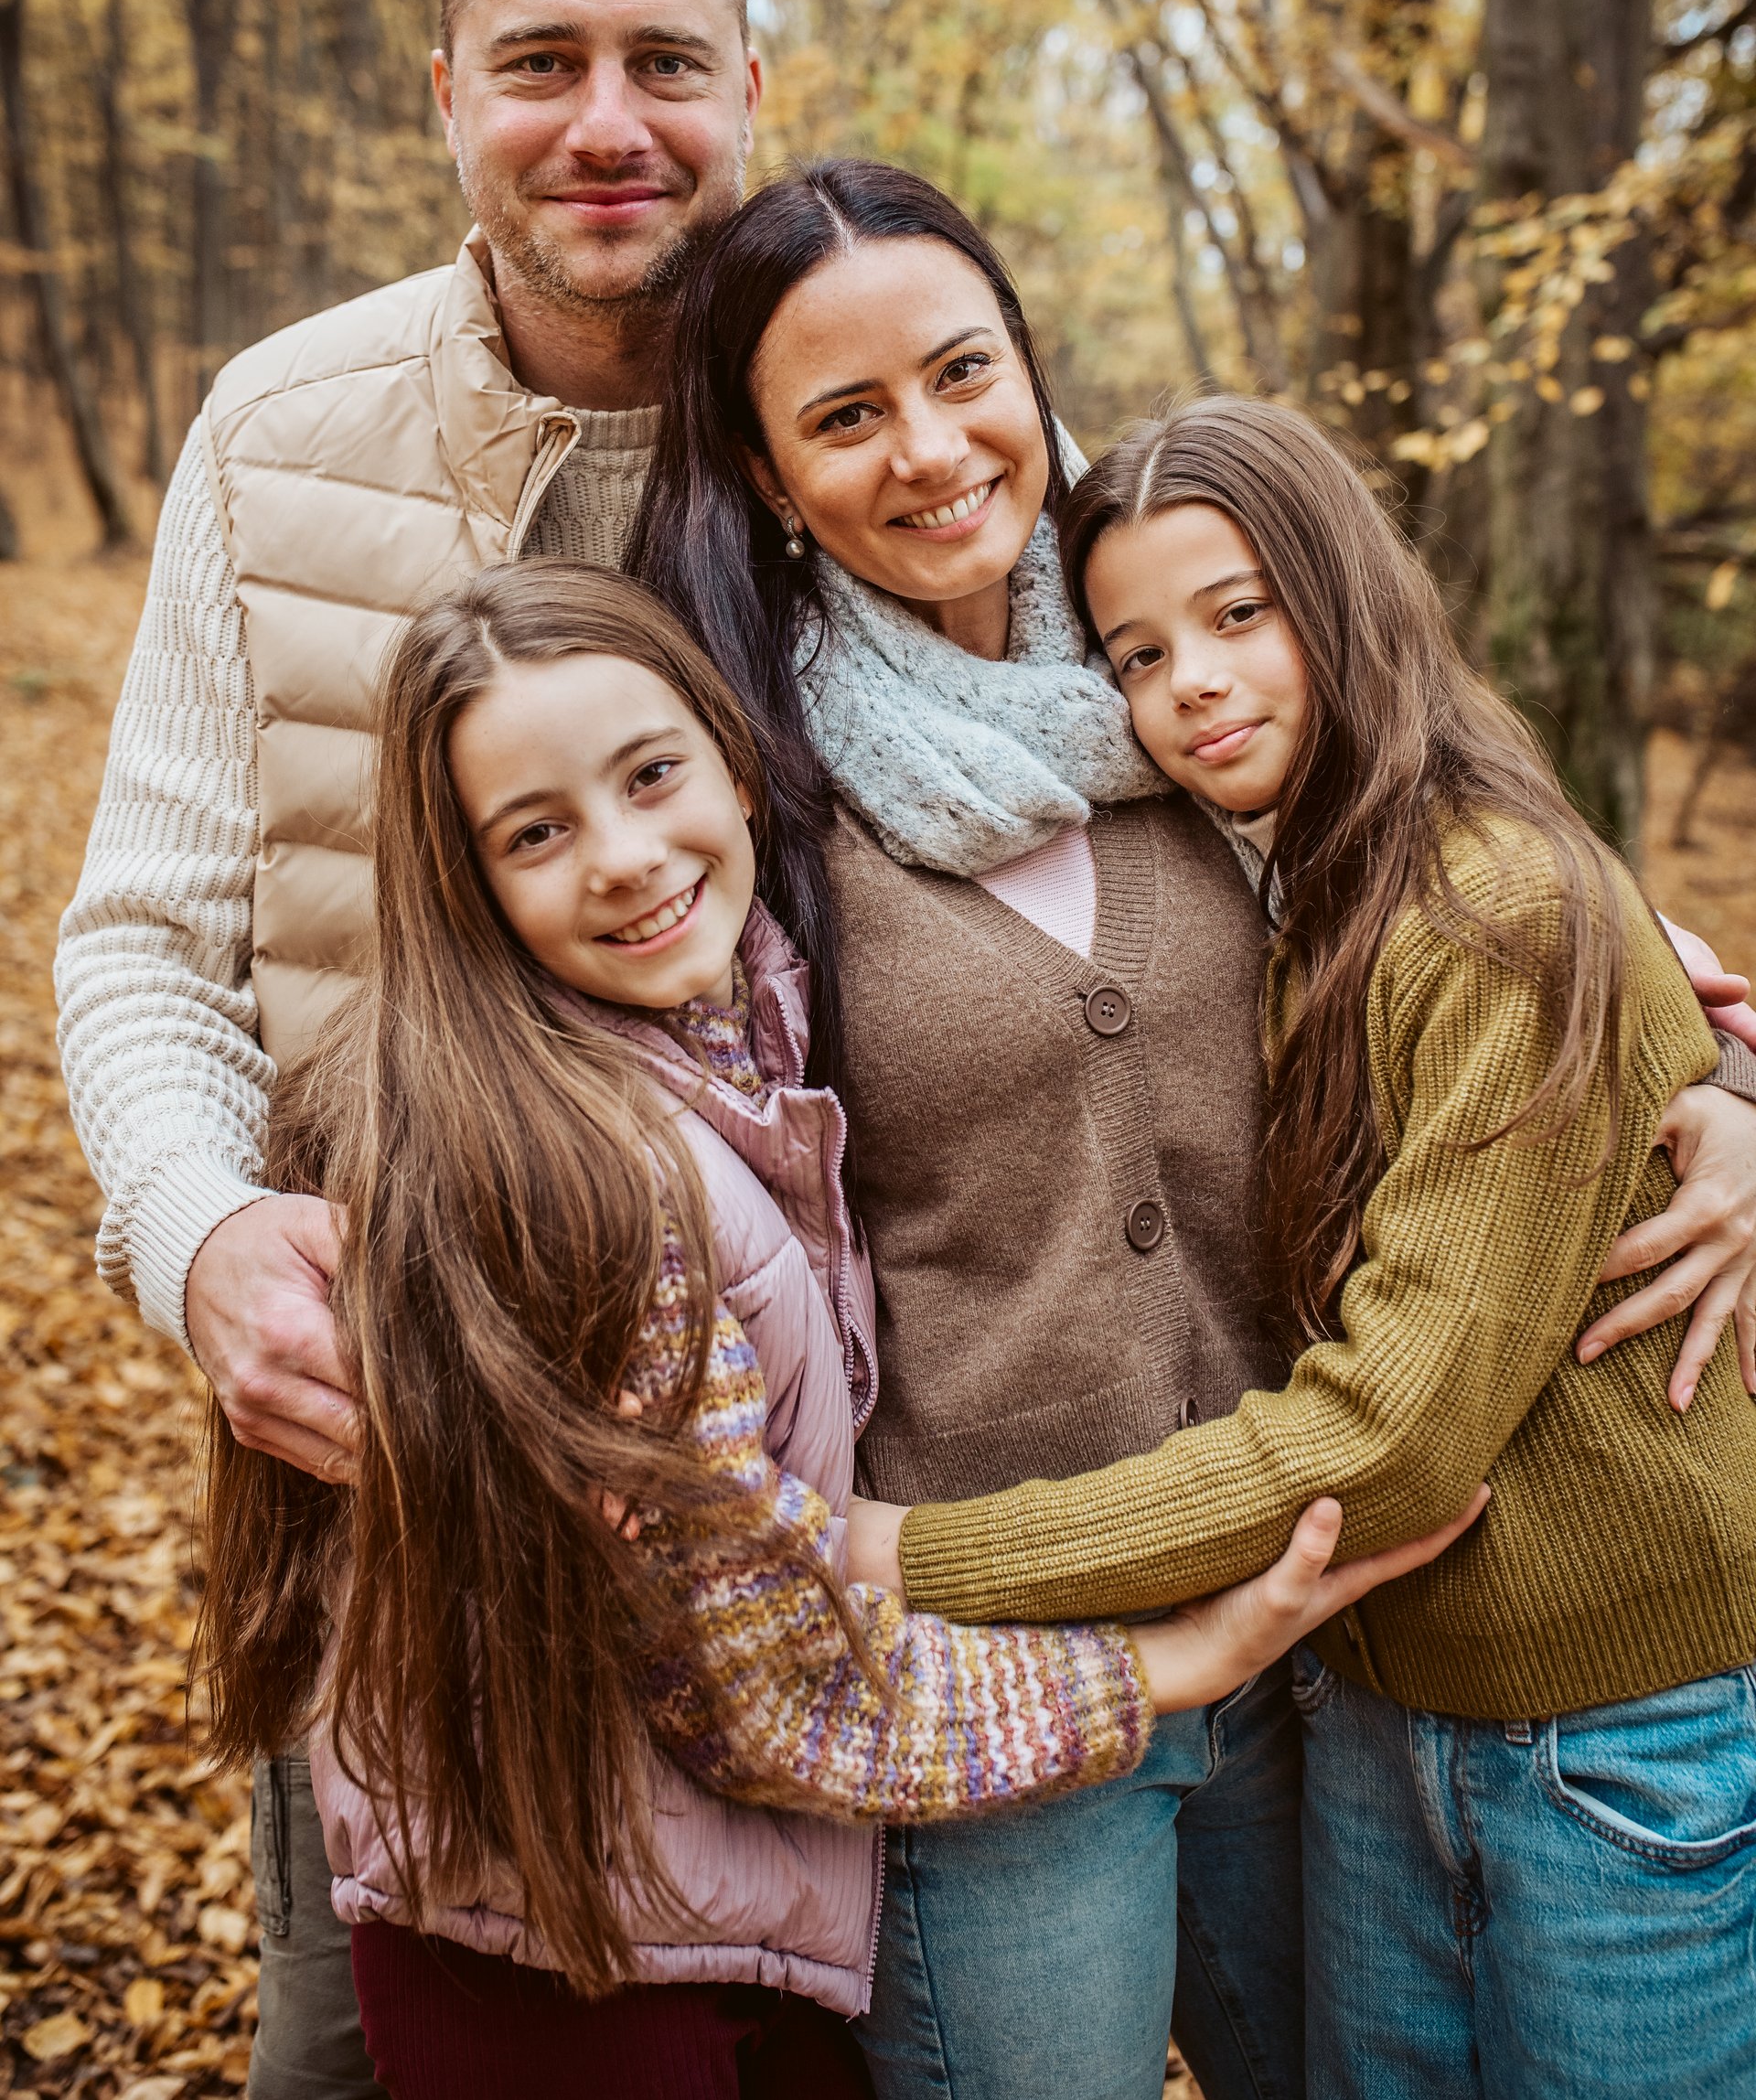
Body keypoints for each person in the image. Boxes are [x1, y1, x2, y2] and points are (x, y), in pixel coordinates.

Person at [626, 158, 1756, 2100]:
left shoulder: (1184, 674)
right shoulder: (738, 777)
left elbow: (1511, 929)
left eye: (960, 368)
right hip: (999, 1649)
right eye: (841, 415)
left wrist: (1725, 1093)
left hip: (1338, 1643)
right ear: (760, 471)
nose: (927, 446)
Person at [194, 558, 1474, 2100]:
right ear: (466, 883)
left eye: (652, 775)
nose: (621, 857)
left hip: (706, 1887)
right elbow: (773, 1692)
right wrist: (1176, 1663)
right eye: (535, 834)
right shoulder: (576, 1181)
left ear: (739, 767)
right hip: (573, 1951)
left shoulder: (740, 1026)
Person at [54, 0, 764, 2098]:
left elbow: (1218, 739)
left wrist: (1639, 984)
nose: (608, 122)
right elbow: (148, 938)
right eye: (540, 58)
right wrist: (203, 1230)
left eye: (668, 57)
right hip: (400, 1476)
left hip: (813, 1477)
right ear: (444, 91)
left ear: (753, 86)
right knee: (357, 2057)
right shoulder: (280, 429)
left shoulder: (873, 411)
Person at [863, 397, 1756, 2099]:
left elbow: (1392, 1443)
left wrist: (913, 1560)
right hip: (1379, 1715)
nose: (1185, 681)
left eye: (1237, 614)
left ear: (1347, 595)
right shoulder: (1305, 899)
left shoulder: (1493, 910)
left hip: (1615, 1747)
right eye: (1132, 651)